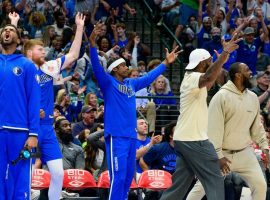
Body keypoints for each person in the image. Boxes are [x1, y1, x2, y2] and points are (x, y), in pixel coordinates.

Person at [89, 22, 181, 200]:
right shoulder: (108, 83)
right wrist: (92, 44)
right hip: (116, 136)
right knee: (117, 177)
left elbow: (148, 77)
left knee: (127, 179)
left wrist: (165, 63)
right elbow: (96, 66)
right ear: (115, 69)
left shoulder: (131, 83)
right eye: (124, 65)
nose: (128, 67)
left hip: (130, 137)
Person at [160, 34, 241, 200]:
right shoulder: (193, 78)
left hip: (184, 139)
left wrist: (222, 60)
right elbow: (209, 77)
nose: (212, 62)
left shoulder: (192, 79)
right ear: (203, 63)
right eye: (210, 60)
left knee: (179, 186)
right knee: (215, 177)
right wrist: (224, 53)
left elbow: (210, 81)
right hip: (194, 139)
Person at [22, 13, 85, 199]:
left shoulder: (49, 67)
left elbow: (73, 55)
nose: (44, 51)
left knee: (58, 173)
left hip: (48, 128)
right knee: (24, 173)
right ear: (29, 53)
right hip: (27, 127)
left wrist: (80, 27)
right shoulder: (20, 70)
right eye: (40, 49)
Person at [207, 62, 269, 200]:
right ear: (238, 75)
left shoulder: (252, 97)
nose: (251, 73)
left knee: (260, 185)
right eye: (247, 70)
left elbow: (257, 126)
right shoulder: (221, 96)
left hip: (244, 153)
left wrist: (264, 146)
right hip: (222, 154)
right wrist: (218, 155)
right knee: (201, 188)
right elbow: (213, 130)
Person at [0, 24, 40, 199]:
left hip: (21, 132)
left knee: (20, 179)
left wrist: (33, 134)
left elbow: (34, 101)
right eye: (3, 30)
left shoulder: (27, 65)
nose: (7, 32)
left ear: (18, 40)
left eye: (12, 30)